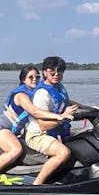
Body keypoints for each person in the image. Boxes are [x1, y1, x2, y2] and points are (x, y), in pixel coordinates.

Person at [0, 65, 76, 185]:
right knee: (15, 150)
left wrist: (87, 108)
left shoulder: (36, 93)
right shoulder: (21, 95)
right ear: (23, 80)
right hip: (2, 127)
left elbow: (66, 101)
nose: (34, 79)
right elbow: (34, 111)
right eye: (31, 77)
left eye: (37, 77)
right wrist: (59, 117)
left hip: (19, 131)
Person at [25, 56, 87, 186]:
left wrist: (89, 108)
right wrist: (63, 117)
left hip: (57, 131)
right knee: (63, 153)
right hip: (38, 135)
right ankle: (37, 185)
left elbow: (65, 101)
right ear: (45, 72)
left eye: (60, 71)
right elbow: (43, 125)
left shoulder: (58, 87)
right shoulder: (42, 94)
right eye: (52, 71)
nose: (56, 74)